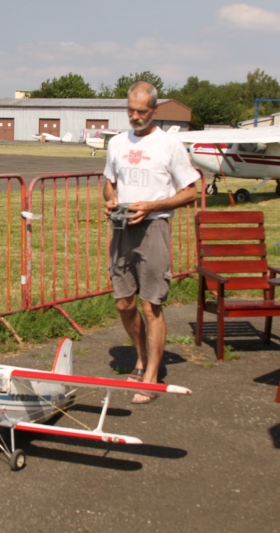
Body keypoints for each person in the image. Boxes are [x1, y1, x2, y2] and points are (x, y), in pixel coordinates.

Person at [102, 81, 199, 404]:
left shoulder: (170, 145)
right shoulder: (116, 143)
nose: (134, 116)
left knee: (150, 304)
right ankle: (140, 357)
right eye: (130, 110)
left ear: (155, 110)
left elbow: (191, 191)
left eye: (141, 111)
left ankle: (152, 377)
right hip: (122, 228)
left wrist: (152, 206)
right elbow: (109, 182)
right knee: (123, 302)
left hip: (155, 227)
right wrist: (111, 199)